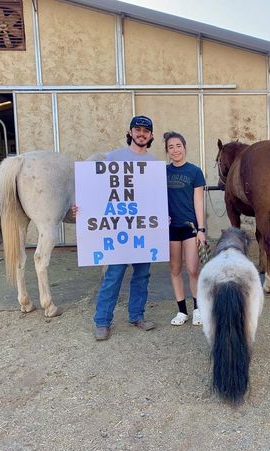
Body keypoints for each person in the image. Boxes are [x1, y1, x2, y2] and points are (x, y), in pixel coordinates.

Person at [75, 115, 158, 341]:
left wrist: (161, 219)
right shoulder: (113, 158)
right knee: (113, 276)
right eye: (137, 129)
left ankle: (136, 315)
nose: (141, 134)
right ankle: (102, 321)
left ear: (151, 136)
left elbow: (153, 198)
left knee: (142, 275)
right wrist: (83, 210)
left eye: (146, 131)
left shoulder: (153, 164)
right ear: (130, 132)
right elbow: (98, 190)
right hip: (119, 230)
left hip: (141, 231)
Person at [165, 131, 206, 326]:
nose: (175, 150)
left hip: (190, 227)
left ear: (185, 147)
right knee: (175, 269)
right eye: (171, 147)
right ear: (167, 151)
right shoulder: (162, 172)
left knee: (192, 269)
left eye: (178, 146)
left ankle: (198, 308)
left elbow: (198, 202)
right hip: (171, 228)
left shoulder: (195, 172)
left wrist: (202, 229)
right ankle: (182, 311)